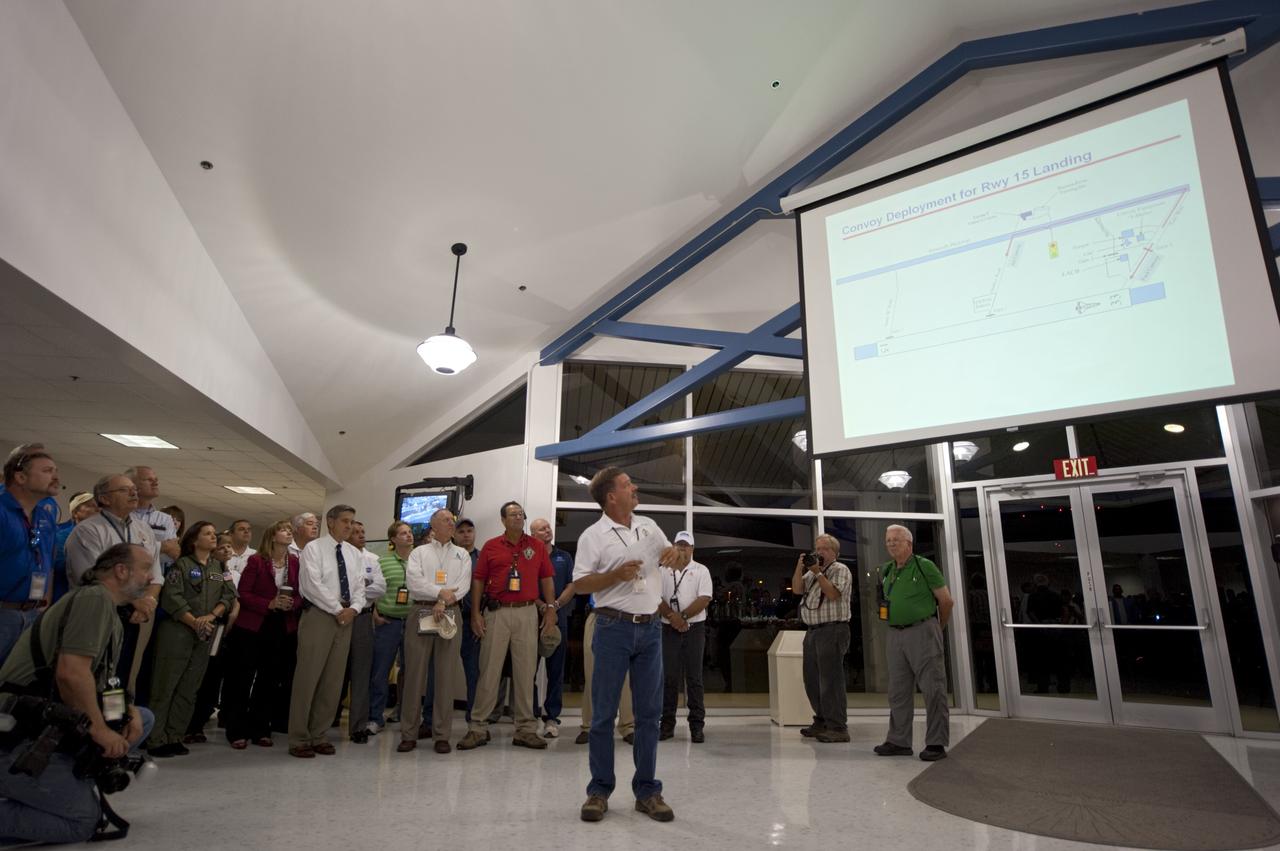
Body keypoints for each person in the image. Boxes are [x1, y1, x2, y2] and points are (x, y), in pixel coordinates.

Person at [0, 543, 156, 844]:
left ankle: (65, 779)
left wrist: (127, 709)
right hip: (17, 731)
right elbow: (71, 674)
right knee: (82, 821)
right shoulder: (93, 600)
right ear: (121, 571)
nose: (151, 577)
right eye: (146, 568)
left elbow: (106, 681)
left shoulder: (110, 612)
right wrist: (99, 730)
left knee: (142, 718)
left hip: (49, 720)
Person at [572, 466, 688, 823]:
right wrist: (613, 576)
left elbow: (675, 557)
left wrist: (675, 555)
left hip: (650, 629)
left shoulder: (649, 526)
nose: (634, 487)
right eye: (626, 485)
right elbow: (580, 585)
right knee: (604, 715)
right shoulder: (593, 536)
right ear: (611, 497)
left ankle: (648, 791)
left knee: (648, 716)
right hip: (612, 628)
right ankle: (599, 790)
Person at [457, 501, 556, 751]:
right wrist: (476, 615)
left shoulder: (536, 546)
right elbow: (478, 581)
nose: (518, 518)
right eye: (512, 515)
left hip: (527, 614)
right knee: (489, 670)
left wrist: (551, 609)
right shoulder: (491, 546)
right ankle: (478, 727)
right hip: (497, 614)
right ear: (503, 520)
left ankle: (525, 729)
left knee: (525, 672)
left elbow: (546, 578)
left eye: (521, 514)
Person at [64, 475, 162, 695]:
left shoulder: (143, 529)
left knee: (118, 679)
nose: (133, 493)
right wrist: (137, 602)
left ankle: (113, 724)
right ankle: (87, 725)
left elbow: (154, 574)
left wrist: (148, 603)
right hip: (95, 613)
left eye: (133, 489)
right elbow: (93, 576)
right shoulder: (88, 530)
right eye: (124, 490)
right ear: (104, 499)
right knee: (90, 676)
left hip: (132, 617)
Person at [145, 522, 235, 757]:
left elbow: (229, 594)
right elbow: (171, 598)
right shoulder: (181, 566)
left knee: (189, 687)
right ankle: (156, 738)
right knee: (165, 685)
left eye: (214, 533)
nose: (213, 536)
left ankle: (175, 735)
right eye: (207, 533)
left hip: (204, 633)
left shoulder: (219, 567)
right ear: (195, 540)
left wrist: (211, 616)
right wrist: (194, 621)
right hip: (178, 631)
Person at [288, 505, 366, 758]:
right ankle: (299, 738)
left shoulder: (354, 554)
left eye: (352, 522)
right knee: (308, 678)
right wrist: (337, 609)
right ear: (330, 522)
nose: (350, 526)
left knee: (333, 681)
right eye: (345, 521)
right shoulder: (314, 548)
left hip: (346, 618)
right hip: (320, 616)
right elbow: (312, 585)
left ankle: (319, 734)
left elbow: (359, 587)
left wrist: (353, 609)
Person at [874, 524, 954, 762]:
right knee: (898, 691)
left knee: (933, 688)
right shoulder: (887, 570)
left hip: (922, 630)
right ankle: (899, 741)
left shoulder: (924, 565)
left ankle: (936, 743)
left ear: (909, 543)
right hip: (895, 634)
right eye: (888, 540)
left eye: (896, 540)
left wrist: (936, 628)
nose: (890, 544)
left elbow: (947, 601)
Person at [222, 520, 302, 748]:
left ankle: (260, 727)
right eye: (284, 530)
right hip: (253, 625)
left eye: (290, 530)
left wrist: (290, 604)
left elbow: (300, 593)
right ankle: (236, 729)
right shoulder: (257, 561)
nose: (288, 533)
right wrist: (269, 603)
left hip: (281, 625)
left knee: (270, 679)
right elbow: (243, 593)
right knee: (243, 677)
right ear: (272, 535)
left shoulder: (294, 562)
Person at [398, 509, 470, 754]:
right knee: (414, 676)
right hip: (422, 611)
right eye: (446, 520)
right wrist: (439, 594)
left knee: (445, 677)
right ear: (433, 525)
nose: (452, 524)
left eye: (453, 521)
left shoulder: (462, 554)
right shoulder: (419, 553)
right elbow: (414, 582)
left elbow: (463, 585)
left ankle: (442, 734)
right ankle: (409, 732)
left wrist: (444, 601)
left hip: (450, 614)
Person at [0, 447, 59, 665]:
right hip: (4, 612)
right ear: (21, 477)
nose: (56, 477)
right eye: (47, 471)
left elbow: (48, 565)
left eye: (55, 470)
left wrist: (44, 606)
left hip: (32, 614)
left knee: (13, 685)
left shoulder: (44, 517)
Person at [792, 534, 853, 743]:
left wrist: (818, 573)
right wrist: (800, 567)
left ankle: (837, 727)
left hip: (833, 630)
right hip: (812, 631)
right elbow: (798, 589)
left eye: (825, 548)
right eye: (817, 548)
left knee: (831, 680)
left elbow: (833, 594)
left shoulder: (840, 569)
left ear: (835, 552)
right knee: (812, 679)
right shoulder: (812, 572)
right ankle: (821, 721)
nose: (819, 552)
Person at [185, 532, 242, 742]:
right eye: (222, 547)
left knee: (213, 676)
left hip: (221, 630)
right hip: (204, 626)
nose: (227, 550)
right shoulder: (203, 570)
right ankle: (190, 725)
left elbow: (232, 595)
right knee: (202, 676)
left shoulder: (225, 571)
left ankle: (199, 721)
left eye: (229, 547)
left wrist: (234, 610)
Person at [659, 531, 712, 743]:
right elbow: (656, 597)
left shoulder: (701, 570)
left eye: (686, 545)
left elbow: (704, 598)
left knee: (694, 678)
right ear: (673, 547)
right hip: (668, 628)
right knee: (669, 678)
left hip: (694, 628)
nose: (682, 549)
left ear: (692, 549)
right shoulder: (663, 570)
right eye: (679, 545)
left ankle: (697, 726)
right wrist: (673, 618)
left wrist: (681, 617)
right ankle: (667, 725)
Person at [530, 517, 574, 738]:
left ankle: (552, 718)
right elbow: (527, 586)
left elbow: (571, 585)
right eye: (541, 529)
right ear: (533, 534)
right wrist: (541, 606)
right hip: (532, 619)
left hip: (558, 619)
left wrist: (554, 606)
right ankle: (532, 715)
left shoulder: (564, 557)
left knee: (555, 671)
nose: (547, 530)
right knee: (528, 670)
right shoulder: (529, 556)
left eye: (548, 527)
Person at [369, 521, 413, 733]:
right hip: (388, 623)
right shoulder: (382, 561)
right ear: (393, 539)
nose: (408, 536)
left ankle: (404, 712)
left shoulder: (418, 561)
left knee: (410, 672)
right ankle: (375, 717)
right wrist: (374, 613)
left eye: (410, 532)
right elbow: (370, 589)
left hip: (413, 624)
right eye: (403, 533)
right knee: (381, 671)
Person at [345, 520, 385, 743]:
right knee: (334, 672)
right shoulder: (339, 555)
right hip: (338, 615)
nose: (361, 535)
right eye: (355, 531)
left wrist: (357, 589)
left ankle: (358, 726)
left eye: (363, 531)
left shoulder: (373, 559)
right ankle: (323, 720)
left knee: (361, 674)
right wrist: (362, 587)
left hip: (362, 618)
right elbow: (338, 588)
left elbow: (380, 588)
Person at [578, 596, 635, 746]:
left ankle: (628, 726)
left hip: (624, 616)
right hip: (597, 614)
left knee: (625, 675)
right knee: (592, 673)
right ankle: (589, 726)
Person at [452, 518, 481, 717]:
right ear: (454, 534)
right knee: (441, 668)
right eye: (461, 531)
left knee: (474, 671)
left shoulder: (483, 558)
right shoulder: (449, 558)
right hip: (449, 617)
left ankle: (474, 715)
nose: (466, 534)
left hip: (473, 620)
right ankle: (435, 716)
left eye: (469, 530)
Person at [127, 467, 179, 567]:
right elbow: (120, 549)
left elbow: (171, 555)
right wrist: (162, 547)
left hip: (152, 578)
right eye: (149, 480)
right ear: (132, 484)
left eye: (156, 480)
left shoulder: (165, 519)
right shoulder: (121, 515)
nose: (155, 483)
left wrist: (140, 548)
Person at [223, 519, 255, 584]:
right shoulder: (222, 553)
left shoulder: (256, 555)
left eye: (249, 529)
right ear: (231, 534)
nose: (246, 531)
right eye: (241, 529)